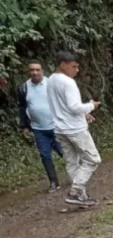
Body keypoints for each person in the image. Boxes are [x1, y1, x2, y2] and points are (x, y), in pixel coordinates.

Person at [47, 51, 101, 206]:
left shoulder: (51, 80)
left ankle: (81, 197)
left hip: (60, 128)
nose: (77, 70)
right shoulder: (68, 82)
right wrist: (91, 106)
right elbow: (74, 106)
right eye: (74, 66)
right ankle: (75, 191)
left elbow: (63, 106)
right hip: (75, 129)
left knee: (72, 162)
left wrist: (83, 113)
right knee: (93, 159)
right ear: (63, 65)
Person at [17, 60, 64, 193]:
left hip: (56, 126)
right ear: (29, 72)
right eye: (32, 70)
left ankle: (77, 175)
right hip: (38, 129)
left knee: (63, 151)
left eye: (37, 69)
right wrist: (24, 126)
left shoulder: (51, 84)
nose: (35, 72)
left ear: (42, 71)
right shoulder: (24, 88)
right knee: (45, 155)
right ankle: (54, 182)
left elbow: (62, 102)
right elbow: (22, 107)